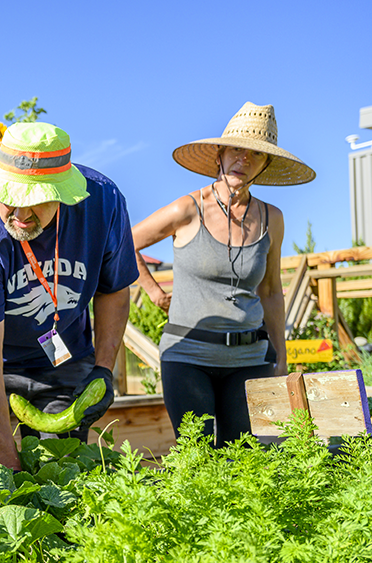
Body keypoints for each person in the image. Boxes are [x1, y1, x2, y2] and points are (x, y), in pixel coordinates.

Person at [0, 122, 139, 470]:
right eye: (10, 199)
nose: (21, 215)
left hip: (57, 357)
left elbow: (113, 290)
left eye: (37, 200)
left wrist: (104, 368)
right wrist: (11, 473)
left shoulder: (103, 204)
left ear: (63, 192)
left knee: (63, 470)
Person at [131, 102, 315, 445]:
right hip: (188, 356)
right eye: (236, 150)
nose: (242, 160)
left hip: (250, 358)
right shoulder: (187, 208)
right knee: (197, 458)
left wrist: (282, 355)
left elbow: (272, 291)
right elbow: (125, 242)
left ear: (265, 165)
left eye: (254, 155)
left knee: (243, 459)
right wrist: (154, 291)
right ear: (220, 154)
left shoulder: (272, 218)